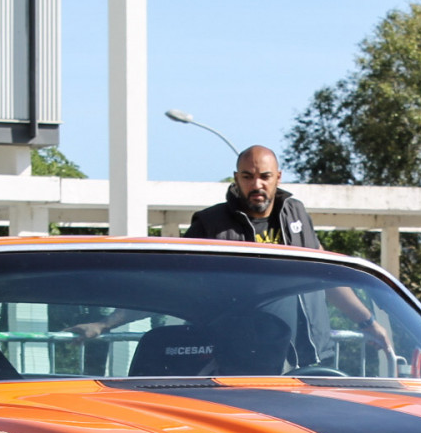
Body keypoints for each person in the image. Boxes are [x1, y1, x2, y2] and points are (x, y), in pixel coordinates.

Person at [71, 145, 392, 366]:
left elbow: (329, 278)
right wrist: (105, 323)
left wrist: (367, 322)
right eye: (248, 176)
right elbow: (167, 283)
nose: (257, 184)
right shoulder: (211, 225)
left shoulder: (295, 214)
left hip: (313, 360)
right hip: (247, 366)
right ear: (236, 178)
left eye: (264, 176)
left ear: (278, 178)